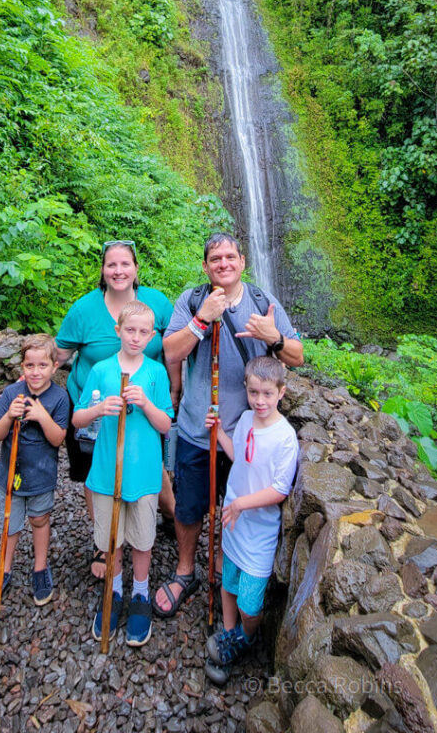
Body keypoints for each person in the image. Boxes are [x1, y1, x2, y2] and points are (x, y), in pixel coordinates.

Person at [154, 232, 303, 618]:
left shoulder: (263, 302)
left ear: (242, 261)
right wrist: (203, 319)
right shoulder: (190, 301)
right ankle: (186, 571)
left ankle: (225, 569)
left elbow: (298, 356)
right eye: (215, 258)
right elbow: (170, 351)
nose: (223, 263)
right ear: (205, 266)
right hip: (196, 430)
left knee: (234, 506)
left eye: (230, 257)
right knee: (188, 507)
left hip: (245, 435)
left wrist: (274, 338)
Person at [55, 239, 178, 578]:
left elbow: (174, 348)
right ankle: (104, 540)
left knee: (154, 468)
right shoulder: (84, 310)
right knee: (95, 472)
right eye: (112, 264)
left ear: (136, 268)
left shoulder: (157, 303)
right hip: (93, 405)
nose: (119, 271)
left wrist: (177, 387)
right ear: (103, 270)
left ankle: (167, 517)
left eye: (125, 264)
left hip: (144, 405)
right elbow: (60, 355)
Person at [73, 301, 173, 647]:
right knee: (111, 537)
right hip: (106, 473)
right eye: (130, 330)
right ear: (118, 331)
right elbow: (78, 419)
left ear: (152, 336)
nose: (136, 337)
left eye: (144, 332)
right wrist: (100, 409)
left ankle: (141, 594)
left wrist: (146, 403)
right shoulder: (101, 370)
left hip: (144, 474)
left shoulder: (156, 373)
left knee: (143, 539)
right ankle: (113, 592)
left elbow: (166, 424)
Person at [204, 355, 298, 684]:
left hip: (258, 530)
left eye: (267, 394)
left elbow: (279, 489)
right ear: (246, 388)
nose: (260, 401)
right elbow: (237, 456)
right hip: (235, 521)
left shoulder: (285, 437)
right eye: (254, 392)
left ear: (281, 393)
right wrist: (218, 432)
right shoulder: (244, 420)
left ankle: (246, 637)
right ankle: (230, 636)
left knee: (249, 601)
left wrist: (242, 503)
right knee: (228, 583)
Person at [0, 334, 69, 608]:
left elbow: (58, 439)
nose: (36, 371)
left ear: (55, 367)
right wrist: (9, 416)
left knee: (39, 520)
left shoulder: (59, 398)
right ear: (22, 367)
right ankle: (3, 570)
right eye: (30, 365)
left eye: (42, 365)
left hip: (42, 476)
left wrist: (42, 416)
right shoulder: (11, 394)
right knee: (10, 524)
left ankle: (40, 568)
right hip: (10, 477)